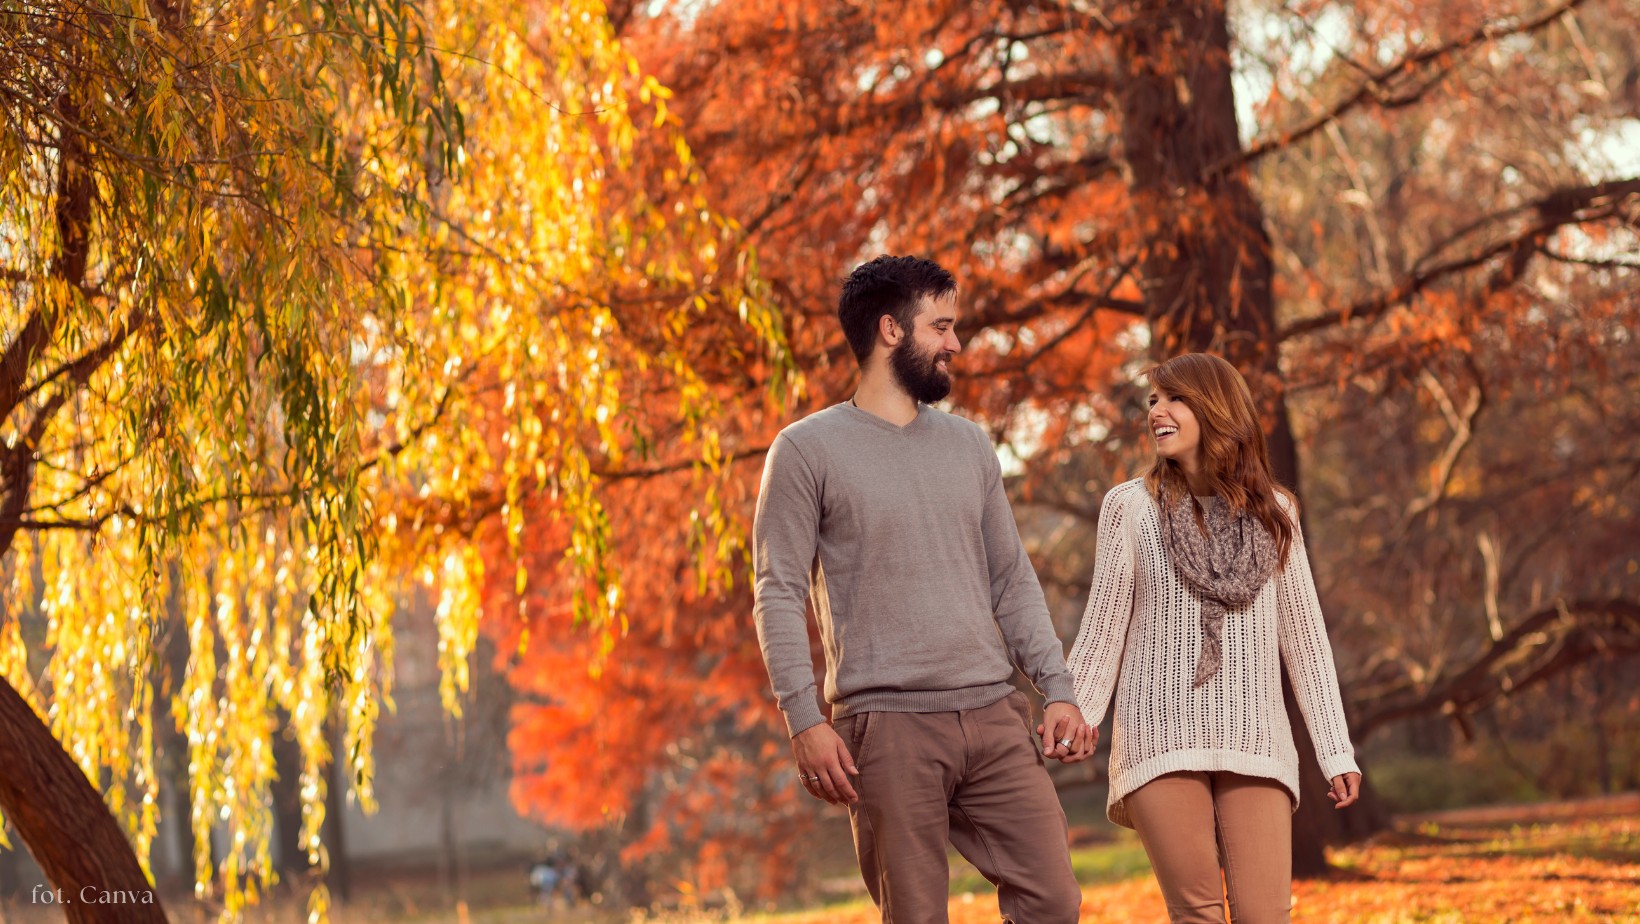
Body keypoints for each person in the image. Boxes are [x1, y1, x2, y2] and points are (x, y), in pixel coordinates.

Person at [752, 255, 1092, 923]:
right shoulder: (805, 450)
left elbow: (1011, 578)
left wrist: (1058, 688)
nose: (955, 343)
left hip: (993, 714)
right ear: (891, 330)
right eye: (941, 326)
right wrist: (804, 721)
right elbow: (777, 591)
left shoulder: (970, 446)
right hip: (887, 728)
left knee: (1054, 901)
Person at [1067, 352, 1362, 924]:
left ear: (1216, 408)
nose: (1157, 411)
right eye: (1153, 400)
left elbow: (1305, 643)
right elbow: (1103, 631)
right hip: (1159, 735)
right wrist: (1077, 714)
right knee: (1198, 914)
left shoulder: (1277, 512)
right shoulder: (1130, 508)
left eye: (1174, 398)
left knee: (1264, 915)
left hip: (1257, 738)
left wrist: (1335, 751)